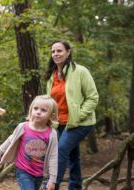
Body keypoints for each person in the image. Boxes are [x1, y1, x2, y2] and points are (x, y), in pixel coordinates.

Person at [45, 40, 99, 190]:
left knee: (60, 150)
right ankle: (75, 186)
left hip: (81, 122)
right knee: (73, 156)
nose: (55, 54)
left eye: (59, 51)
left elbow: (93, 97)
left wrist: (80, 114)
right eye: (53, 51)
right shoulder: (52, 76)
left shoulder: (80, 71)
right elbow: (51, 101)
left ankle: (50, 186)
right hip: (60, 123)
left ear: (68, 52)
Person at [0, 95, 59, 190]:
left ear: (51, 115)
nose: (38, 112)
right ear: (31, 110)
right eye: (36, 108)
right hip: (23, 170)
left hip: (39, 173)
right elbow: (10, 140)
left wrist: (52, 179)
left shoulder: (52, 134)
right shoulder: (23, 127)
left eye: (43, 110)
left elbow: (53, 157)